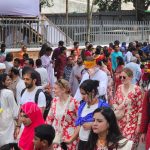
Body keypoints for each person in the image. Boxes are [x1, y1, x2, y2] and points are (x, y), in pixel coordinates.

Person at [66, 79, 109, 150]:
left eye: (84, 94)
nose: (82, 97)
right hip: (82, 142)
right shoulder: (82, 106)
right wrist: (71, 140)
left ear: (92, 92)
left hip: (96, 143)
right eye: (81, 94)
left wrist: (92, 125)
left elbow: (109, 124)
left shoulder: (102, 106)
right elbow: (80, 125)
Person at [112, 68, 143, 148]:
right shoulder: (119, 88)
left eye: (124, 77)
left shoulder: (137, 90)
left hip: (132, 122)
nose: (122, 79)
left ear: (130, 77)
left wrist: (139, 125)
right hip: (120, 121)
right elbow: (114, 102)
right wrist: (118, 107)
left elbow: (140, 108)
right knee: (120, 144)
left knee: (128, 144)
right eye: (120, 77)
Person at [46, 79, 79, 150]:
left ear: (63, 90)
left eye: (55, 88)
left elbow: (80, 120)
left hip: (69, 135)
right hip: (55, 134)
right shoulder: (54, 100)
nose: (53, 90)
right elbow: (49, 118)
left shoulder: (74, 102)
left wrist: (74, 136)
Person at [0, 73, 19, 148]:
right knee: (8, 141)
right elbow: (15, 110)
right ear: (2, 82)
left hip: (2, 118)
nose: (10, 81)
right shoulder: (8, 93)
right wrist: (18, 124)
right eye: (8, 80)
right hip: (7, 120)